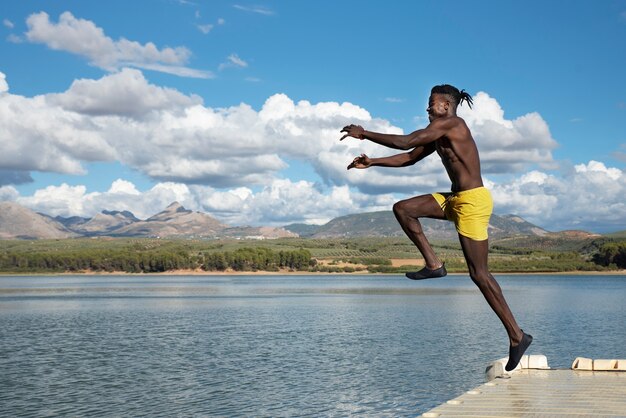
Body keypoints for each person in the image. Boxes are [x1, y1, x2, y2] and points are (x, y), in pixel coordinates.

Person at [339, 84, 532, 371]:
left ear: (446, 105)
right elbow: (409, 157)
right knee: (403, 208)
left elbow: (407, 141)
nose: (428, 108)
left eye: (432, 103)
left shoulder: (454, 124)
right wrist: (374, 162)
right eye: (428, 104)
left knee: (479, 274)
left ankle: (518, 336)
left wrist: (364, 133)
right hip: (454, 199)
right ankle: (434, 264)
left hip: (473, 202)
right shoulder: (439, 134)